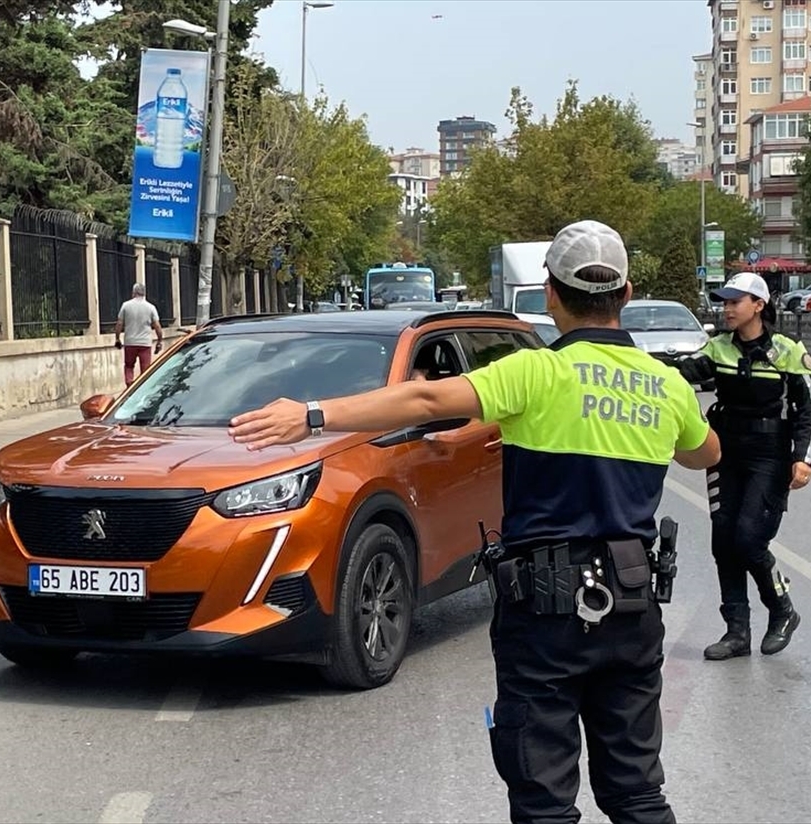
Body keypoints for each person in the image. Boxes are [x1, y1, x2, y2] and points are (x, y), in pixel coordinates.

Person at [229, 220, 720, 823]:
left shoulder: (536, 373)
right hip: (631, 607)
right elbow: (706, 453)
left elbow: (427, 402)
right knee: (636, 791)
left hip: (545, 614)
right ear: (626, 294)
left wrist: (309, 414)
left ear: (551, 295)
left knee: (544, 800)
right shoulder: (664, 385)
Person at [675, 272, 811, 661]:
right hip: (726, 452)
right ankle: (737, 632)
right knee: (723, 542)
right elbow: (682, 374)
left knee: (750, 539)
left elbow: (809, 411)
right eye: (725, 301)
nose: (728, 308)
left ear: (758, 305)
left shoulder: (787, 351)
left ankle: (783, 609)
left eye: (736, 301)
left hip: (770, 455)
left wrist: (803, 459)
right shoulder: (718, 347)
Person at [113, 283, 163, 387]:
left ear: (133, 293)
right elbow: (157, 326)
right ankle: (142, 389)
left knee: (129, 366)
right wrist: (159, 341)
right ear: (144, 293)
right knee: (145, 371)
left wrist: (117, 338)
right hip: (145, 344)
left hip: (130, 342)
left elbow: (119, 323)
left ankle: (129, 384)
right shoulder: (151, 307)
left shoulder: (125, 306)